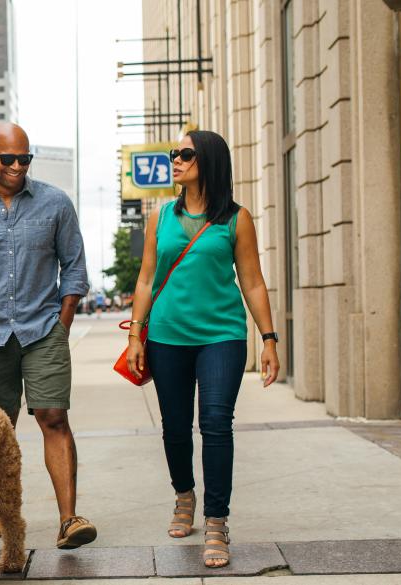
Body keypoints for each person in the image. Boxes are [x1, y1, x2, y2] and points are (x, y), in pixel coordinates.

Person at [125, 130, 280, 569]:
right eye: (174, 153)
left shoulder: (237, 219)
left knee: (215, 424)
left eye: (185, 153)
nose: (175, 159)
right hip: (168, 337)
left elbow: (252, 281)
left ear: (208, 161)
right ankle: (184, 495)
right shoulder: (162, 216)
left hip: (222, 337)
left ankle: (216, 519)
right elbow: (145, 279)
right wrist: (136, 335)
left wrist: (268, 339)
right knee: (175, 427)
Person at [0, 123, 97, 549]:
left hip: (43, 328)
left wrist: (63, 319)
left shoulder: (55, 204)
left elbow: (74, 266)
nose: (17, 167)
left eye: (24, 159)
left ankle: (69, 520)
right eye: (8, 159)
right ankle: (2, 510)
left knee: (54, 417)